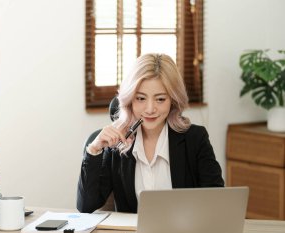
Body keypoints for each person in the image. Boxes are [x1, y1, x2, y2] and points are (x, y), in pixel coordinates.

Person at [77, 53, 224, 213]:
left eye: (160, 99)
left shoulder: (195, 139)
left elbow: (215, 202)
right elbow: (86, 206)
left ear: (173, 100)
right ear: (130, 100)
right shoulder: (117, 143)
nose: (150, 109)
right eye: (141, 98)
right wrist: (94, 149)